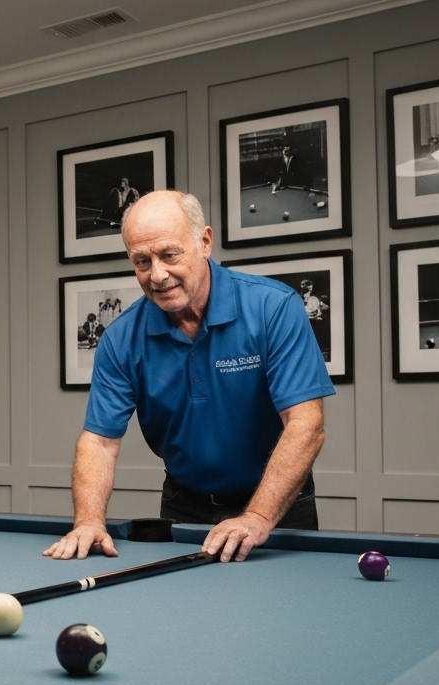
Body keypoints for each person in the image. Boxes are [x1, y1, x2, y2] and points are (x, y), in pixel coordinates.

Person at [44, 191, 335, 563]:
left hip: (277, 505)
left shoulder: (272, 308)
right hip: (184, 507)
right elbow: (99, 442)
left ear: (205, 242)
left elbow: (306, 423)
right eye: (141, 261)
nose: (157, 275)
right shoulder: (121, 338)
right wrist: (88, 521)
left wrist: (257, 517)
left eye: (169, 255)